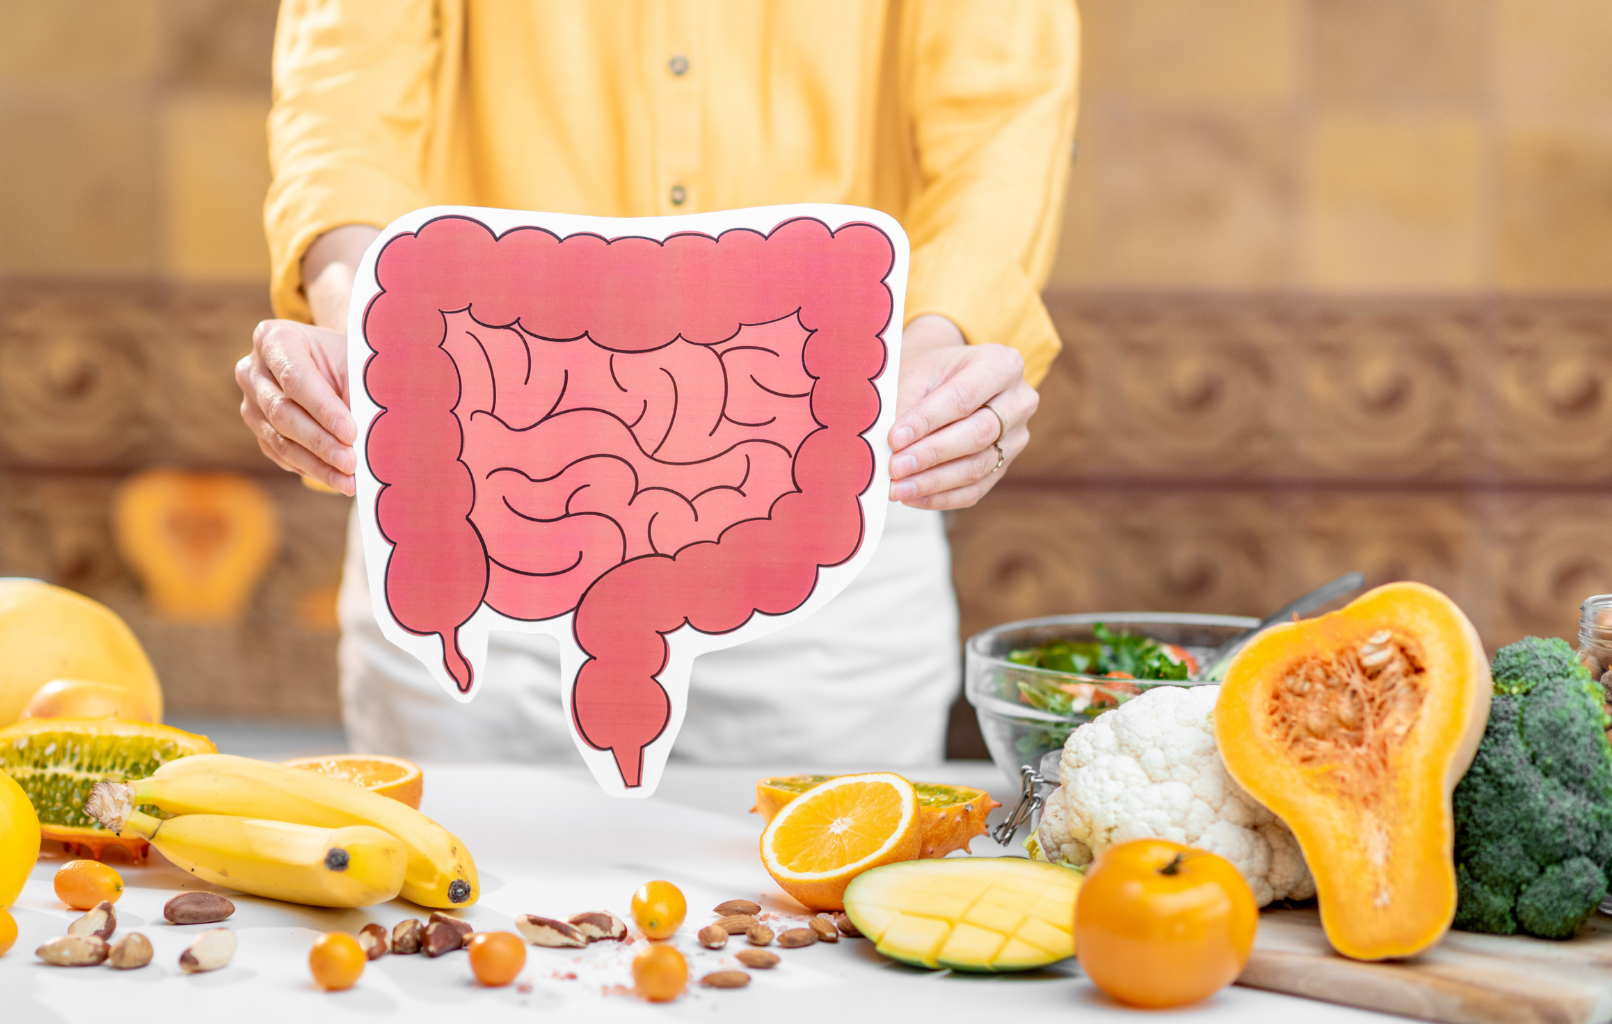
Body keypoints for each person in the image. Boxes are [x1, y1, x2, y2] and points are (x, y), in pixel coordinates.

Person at [239, 0, 1078, 766]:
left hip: (837, 519)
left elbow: (1003, 116)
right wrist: (363, 324)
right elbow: (343, 94)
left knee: (816, 918)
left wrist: (941, 340)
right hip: (470, 532)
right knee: (456, 911)